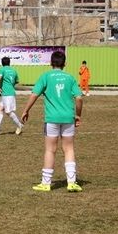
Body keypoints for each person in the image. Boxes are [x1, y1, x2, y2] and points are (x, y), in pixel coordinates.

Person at [21, 51, 84, 193]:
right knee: (69, 149)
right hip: (68, 118)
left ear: (51, 63)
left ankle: (46, 183)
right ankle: (72, 182)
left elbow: (34, 94)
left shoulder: (45, 76)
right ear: (65, 63)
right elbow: (79, 98)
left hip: (52, 119)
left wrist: (26, 110)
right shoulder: (70, 78)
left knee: (50, 150)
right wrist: (78, 115)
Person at [0, 56, 24, 135]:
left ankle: (19, 125)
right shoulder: (14, 70)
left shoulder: (1, 69)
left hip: (7, 94)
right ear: (9, 62)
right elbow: (16, 81)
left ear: (2, 63)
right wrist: (10, 85)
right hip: (9, 92)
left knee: (8, 112)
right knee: (0, 109)